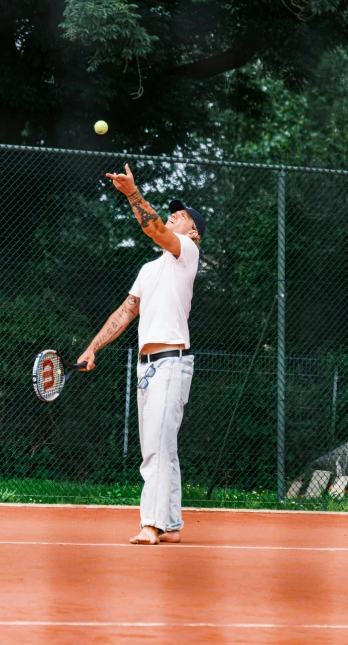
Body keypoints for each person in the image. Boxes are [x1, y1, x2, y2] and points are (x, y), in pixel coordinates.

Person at [78, 163, 205, 545]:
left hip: (171, 362)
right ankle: (173, 524)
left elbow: (155, 228)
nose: (173, 217)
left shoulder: (187, 252)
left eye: (180, 216)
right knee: (165, 446)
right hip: (147, 367)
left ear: (193, 232)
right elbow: (126, 311)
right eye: (174, 213)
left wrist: (132, 193)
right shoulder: (150, 269)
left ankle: (151, 524)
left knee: (154, 449)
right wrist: (92, 347)